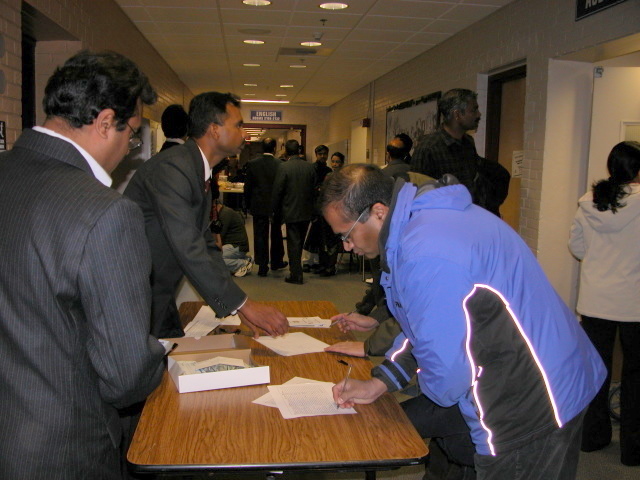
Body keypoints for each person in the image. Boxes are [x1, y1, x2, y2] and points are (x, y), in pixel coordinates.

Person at [322, 164, 606, 479]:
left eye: (346, 234)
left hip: (531, 400)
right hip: (539, 368)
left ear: (378, 212)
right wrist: (381, 382)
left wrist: (419, 395)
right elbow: (424, 327)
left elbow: (447, 378)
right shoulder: (420, 225)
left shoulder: (425, 251)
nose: (347, 246)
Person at [0, 50, 166, 480]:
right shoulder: (106, 212)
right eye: (132, 135)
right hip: (61, 450)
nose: (129, 150)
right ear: (106, 122)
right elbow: (125, 376)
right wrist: (159, 361)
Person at [124, 91, 288, 339]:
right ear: (214, 129)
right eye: (238, 125)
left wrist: (238, 305)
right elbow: (188, 246)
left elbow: (205, 243)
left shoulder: (196, 169)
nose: (244, 133)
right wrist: (244, 305)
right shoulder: (173, 168)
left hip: (157, 290)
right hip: (132, 293)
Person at [569, 140, 640, 467]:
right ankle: (633, 449)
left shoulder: (590, 202)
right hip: (635, 302)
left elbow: (578, 248)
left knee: (596, 371)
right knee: (636, 376)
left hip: (595, 300)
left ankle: (593, 437)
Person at [410, 89, 510, 216]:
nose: (478, 114)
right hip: (443, 219)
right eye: (473, 110)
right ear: (457, 114)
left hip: (469, 216)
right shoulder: (429, 147)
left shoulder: (468, 142)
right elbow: (415, 193)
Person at [272, 139, 317, 284]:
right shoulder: (310, 167)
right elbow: (314, 190)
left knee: (293, 244)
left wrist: (275, 210)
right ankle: (297, 271)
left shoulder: (283, 167)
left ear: (286, 151)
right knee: (300, 241)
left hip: (290, 209)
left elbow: (278, 190)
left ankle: (296, 274)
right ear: (299, 150)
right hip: (306, 210)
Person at [244, 137, 287, 277]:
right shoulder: (280, 164)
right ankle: (276, 261)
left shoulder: (252, 164)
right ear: (275, 148)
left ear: (262, 148)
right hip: (276, 204)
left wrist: (247, 204)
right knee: (276, 233)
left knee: (260, 235)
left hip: (258, 204)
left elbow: (248, 186)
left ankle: (262, 265)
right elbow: (283, 187)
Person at [303, 144, 333, 272]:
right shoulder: (311, 169)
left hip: (323, 206)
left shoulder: (329, 171)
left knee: (319, 236)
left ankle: (316, 261)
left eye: (324, 154)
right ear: (316, 155)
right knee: (310, 235)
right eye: (320, 154)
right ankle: (306, 261)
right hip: (312, 205)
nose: (322, 156)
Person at [214, 201, 254, 277]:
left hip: (237, 246)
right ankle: (246, 259)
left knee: (215, 257)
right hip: (237, 245)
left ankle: (242, 264)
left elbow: (219, 237)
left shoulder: (224, 214)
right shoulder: (224, 211)